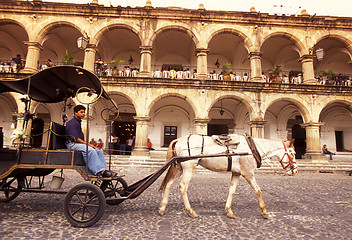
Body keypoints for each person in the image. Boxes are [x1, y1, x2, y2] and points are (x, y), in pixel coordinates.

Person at [65, 105, 117, 177]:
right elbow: (76, 139)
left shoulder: (78, 122)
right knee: (90, 150)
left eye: (84, 112)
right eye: (81, 112)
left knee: (98, 151)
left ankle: (104, 170)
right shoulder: (72, 123)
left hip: (77, 144)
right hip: (72, 144)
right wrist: (88, 144)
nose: (83, 114)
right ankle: (99, 171)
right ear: (75, 113)